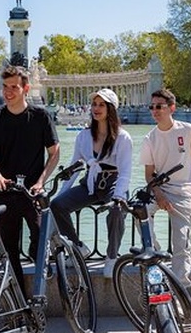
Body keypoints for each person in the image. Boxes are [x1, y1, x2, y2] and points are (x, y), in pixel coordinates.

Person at [0, 65, 59, 299]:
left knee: (39, 238)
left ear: (26, 88)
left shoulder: (40, 116)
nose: (8, 92)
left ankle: (38, 292)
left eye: (13, 87)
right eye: (5, 87)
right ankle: (21, 304)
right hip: (4, 191)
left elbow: (54, 152)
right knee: (9, 252)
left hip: (31, 191)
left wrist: (42, 180)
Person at [139, 88, 191, 289]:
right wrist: (158, 196)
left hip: (183, 191)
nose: (154, 111)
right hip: (159, 189)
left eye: (159, 106)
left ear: (172, 108)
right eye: (152, 107)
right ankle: (156, 252)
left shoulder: (188, 130)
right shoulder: (149, 138)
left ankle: (180, 293)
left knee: (181, 243)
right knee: (139, 215)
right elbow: (149, 174)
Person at [50, 88, 132, 278]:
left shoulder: (123, 137)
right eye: (94, 104)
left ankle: (111, 257)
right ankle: (78, 247)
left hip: (113, 182)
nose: (96, 108)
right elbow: (74, 168)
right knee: (57, 206)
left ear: (111, 108)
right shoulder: (83, 136)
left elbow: (125, 171)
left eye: (101, 104)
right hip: (91, 183)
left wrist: (119, 196)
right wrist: (62, 193)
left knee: (117, 210)